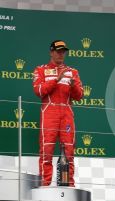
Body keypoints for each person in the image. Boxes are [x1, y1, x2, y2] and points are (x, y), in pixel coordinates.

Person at [32, 40, 83, 186]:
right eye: (58, 51)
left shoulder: (72, 72)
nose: (61, 54)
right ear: (51, 52)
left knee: (69, 152)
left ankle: (68, 185)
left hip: (66, 113)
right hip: (49, 113)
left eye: (63, 51)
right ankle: (45, 184)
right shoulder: (40, 70)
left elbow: (79, 96)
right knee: (46, 150)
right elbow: (38, 91)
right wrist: (56, 80)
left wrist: (73, 86)